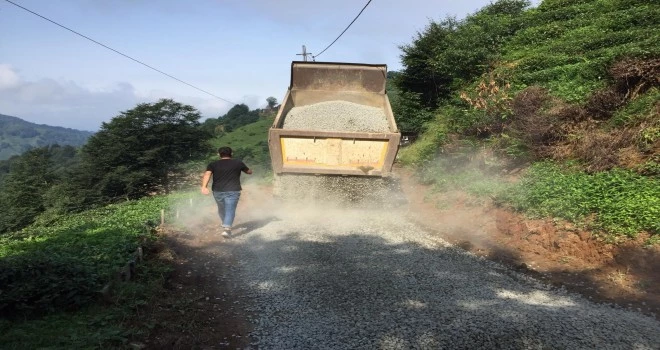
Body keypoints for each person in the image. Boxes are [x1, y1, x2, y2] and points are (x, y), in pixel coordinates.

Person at [201, 146, 252, 238]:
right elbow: (248, 172)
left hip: (217, 191)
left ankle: (226, 227)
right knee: (229, 209)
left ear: (219, 154)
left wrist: (204, 187)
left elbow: (207, 174)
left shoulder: (213, 164)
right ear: (231, 153)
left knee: (222, 208)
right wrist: (249, 170)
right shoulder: (238, 163)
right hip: (233, 190)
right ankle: (226, 227)